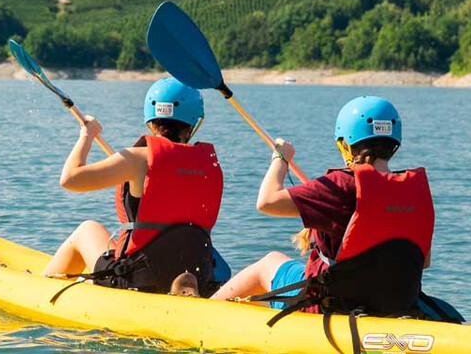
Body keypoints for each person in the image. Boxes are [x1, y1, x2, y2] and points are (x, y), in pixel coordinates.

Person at [210, 96, 438, 319]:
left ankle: (204, 311)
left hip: (329, 305)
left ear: (345, 144)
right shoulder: (414, 192)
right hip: (394, 301)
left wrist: (280, 158)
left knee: (269, 263)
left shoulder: (340, 185)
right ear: (394, 145)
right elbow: (423, 262)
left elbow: (266, 201)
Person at [39, 77, 227, 296]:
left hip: (138, 277)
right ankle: (182, 286)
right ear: (195, 122)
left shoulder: (138, 158)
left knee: (87, 230)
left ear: (150, 120)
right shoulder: (209, 163)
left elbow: (70, 179)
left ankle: (41, 292)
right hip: (199, 273)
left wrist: (87, 136)